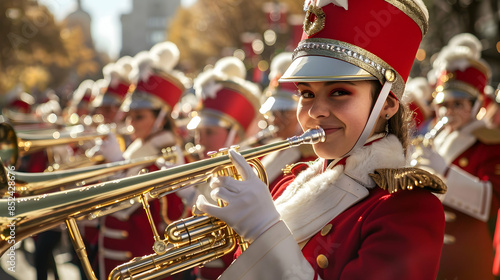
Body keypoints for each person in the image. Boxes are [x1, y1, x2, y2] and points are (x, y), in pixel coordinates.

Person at [195, 0, 446, 279]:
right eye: (306, 94)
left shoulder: (408, 208)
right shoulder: (289, 185)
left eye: (339, 92)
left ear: (387, 103)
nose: (315, 111)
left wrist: (265, 232)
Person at [96, 41, 191, 279]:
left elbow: (125, 205)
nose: (131, 124)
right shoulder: (140, 145)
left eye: (139, 117)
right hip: (120, 258)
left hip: (144, 263)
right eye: (129, 116)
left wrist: (116, 162)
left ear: (160, 118)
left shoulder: (167, 152)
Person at [413, 35, 500, 279]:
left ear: (475, 105)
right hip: (427, 252)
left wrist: (445, 173)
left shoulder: (490, 142)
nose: (448, 112)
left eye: (458, 104)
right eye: (444, 105)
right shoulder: (435, 138)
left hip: (465, 258)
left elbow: (491, 203)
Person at [184, 56, 262, 280]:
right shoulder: (208, 169)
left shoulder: (248, 175)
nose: (199, 141)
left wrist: (192, 199)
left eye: (209, 132)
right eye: (198, 133)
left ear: (234, 135)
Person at [258, 52, 317, 191]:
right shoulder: (270, 150)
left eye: (283, 112)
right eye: (273, 112)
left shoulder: (309, 160)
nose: (275, 119)